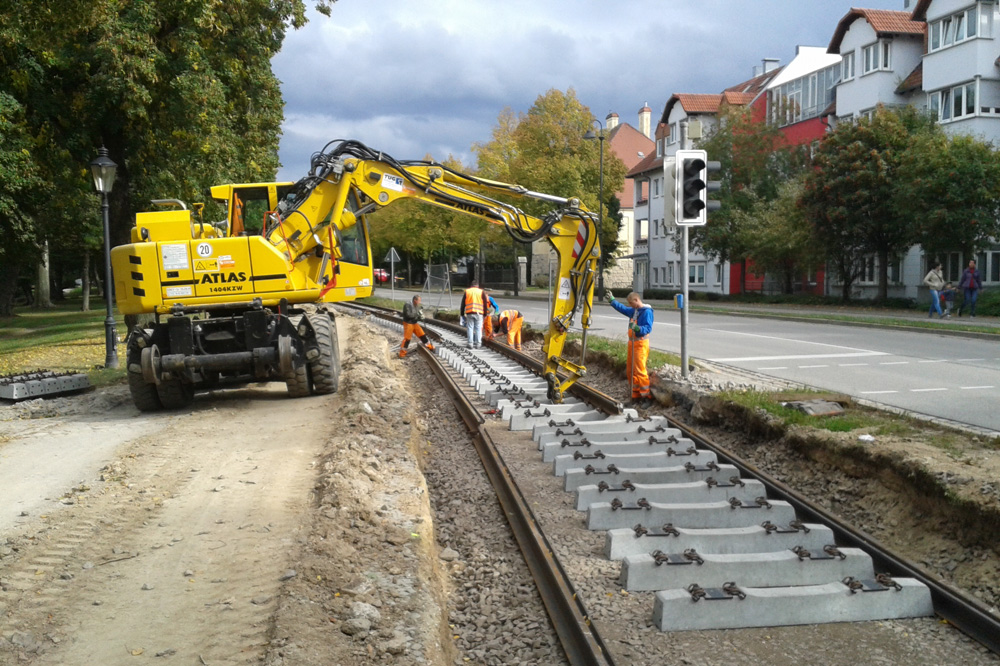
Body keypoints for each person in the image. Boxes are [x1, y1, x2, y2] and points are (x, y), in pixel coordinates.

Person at [606, 290, 654, 406]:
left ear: (636, 300)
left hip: (641, 344)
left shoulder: (646, 312)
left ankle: (646, 397)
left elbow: (648, 328)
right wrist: (612, 301)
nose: (630, 306)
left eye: (631, 303)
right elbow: (623, 309)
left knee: (640, 370)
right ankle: (635, 395)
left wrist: (638, 329)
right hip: (633, 344)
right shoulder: (635, 311)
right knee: (631, 370)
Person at [459, 280, 486, 349]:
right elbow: (485, 303)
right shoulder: (481, 291)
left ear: (471, 285)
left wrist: (462, 313)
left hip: (469, 312)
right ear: (477, 286)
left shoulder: (467, 291)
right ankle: (478, 344)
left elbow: (463, 303)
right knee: (478, 328)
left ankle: (470, 343)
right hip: (479, 313)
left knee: (470, 328)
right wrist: (485, 314)